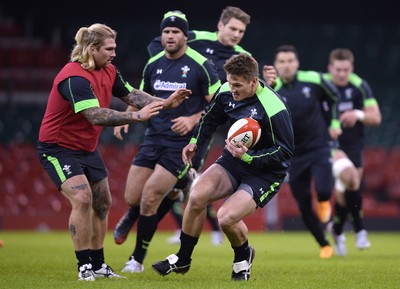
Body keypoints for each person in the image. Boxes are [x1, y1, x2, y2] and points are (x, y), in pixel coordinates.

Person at [37, 23, 191, 281]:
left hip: (86, 149)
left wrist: (164, 103)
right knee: (83, 199)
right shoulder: (74, 77)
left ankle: (99, 265)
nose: (114, 53)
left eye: (114, 48)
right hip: (58, 148)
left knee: (103, 203)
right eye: (109, 49)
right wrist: (137, 118)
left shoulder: (109, 70)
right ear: (92, 49)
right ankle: (84, 266)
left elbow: (132, 96)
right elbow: (95, 115)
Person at [114, 6, 277, 246]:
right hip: (165, 125)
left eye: (241, 31)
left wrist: (269, 83)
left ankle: (140, 227)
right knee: (165, 188)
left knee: (170, 186)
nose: (236, 35)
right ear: (220, 26)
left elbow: (248, 91)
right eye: (232, 28)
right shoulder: (195, 38)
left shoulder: (243, 55)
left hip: (202, 126)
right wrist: (132, 110)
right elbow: (161, 45)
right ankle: (140, 212)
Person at [152, 53, 294, 281]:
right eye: (230, 82)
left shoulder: (274, 107)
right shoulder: (226, 89)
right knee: (197, 196)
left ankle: (242, 257)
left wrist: (248, 158)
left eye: (238, 85)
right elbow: (209, 118)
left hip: (266, 171)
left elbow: (285, 152)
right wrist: (194, 142)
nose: (233, 89)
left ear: (254, 82)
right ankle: (183, 258)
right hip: (233, 160)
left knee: (226, 217)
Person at [112, 11, 221, 274]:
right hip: (152, 138)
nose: (170, 36)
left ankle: (136, 260)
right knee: (132, 197)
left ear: (185, 36)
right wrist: (127, 117)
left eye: (175, 32)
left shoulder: (201, 64)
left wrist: (193, 117)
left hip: (180, 144)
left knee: (150, 197)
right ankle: (179, 186)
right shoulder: (153, 64)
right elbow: (138, 95)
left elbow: (219, 105)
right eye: (166, 32)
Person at [266, 45, 342, 258]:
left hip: (319, 147)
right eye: (282, 61)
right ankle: (324, 245)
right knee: (303, 203)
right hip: (293, 155)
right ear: (276, 65)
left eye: (290, 61)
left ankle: (325, 201)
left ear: (297, 63)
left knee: (324, 189)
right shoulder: (272, 89)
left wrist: (334, 122)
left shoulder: (315, 80)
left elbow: (334, 98)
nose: (286, 65)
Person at [323, 48, 382, 256]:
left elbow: (376, 118)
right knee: (352, 179)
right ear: (330, 68)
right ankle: (360, 229)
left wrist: (357, 114)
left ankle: (337, 230)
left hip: (354, 145)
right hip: (330, 144)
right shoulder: (323, 85)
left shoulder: (359, 85)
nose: (342, 74)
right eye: (338, 69)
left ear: (351, 68)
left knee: (348, 191)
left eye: (346, 70)